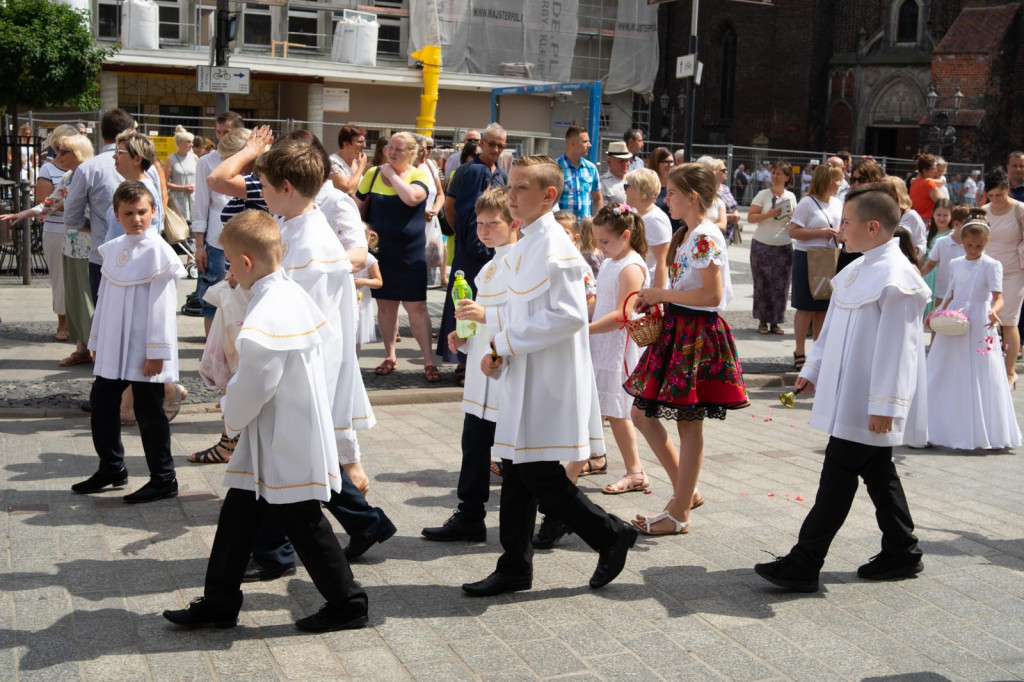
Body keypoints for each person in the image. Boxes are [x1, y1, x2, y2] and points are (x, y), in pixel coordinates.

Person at [162, 209, 369, 633]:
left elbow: (256, 382)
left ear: (246, 263)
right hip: (276, 433)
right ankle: (219, 601)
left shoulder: (268, 311)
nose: (226, 270)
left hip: (284, 436)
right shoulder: (284, 293)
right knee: (238, 514)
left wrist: (229, 417)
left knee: (305, 521)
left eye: (228, 261)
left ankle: (349, 603)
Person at [461, 156, 638, 597]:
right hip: (526, 374)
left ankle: (609, 534)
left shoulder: (554, 244)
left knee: (537, 473)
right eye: (512, 186)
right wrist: (499, 347)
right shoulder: (529, 243)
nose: (513, 195)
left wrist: (506, 343)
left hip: (547, 378)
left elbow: (569, 315)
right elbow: (523, 310)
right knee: (520, 474)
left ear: (549, 196)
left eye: (522, 188)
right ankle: (515, 566)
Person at [754, 183, 928, 593]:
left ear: (872, 226)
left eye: (846, 222)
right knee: (875, 470)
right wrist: (812, 367)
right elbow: (829, 332)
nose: (839, 228)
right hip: (848, 396)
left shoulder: (899, 279)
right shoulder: (853, 270)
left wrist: (887, 404)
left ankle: (805, 561)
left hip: (869, 400)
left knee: (838, 474)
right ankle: (902, 549)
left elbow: (899, 350)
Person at [244, 137, 395, 578]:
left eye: (266, 187)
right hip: (305, 366)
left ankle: (274, 551)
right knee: (303, 459)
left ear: (287, 187)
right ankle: (365, 522)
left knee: (289, 462)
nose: (263, 196)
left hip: (304, 367)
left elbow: (294, 316)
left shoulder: (309, 240)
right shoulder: (293, 226)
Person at [625, 163, 748, 536]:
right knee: (649, 414)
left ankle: (680, 508)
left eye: (672, 193)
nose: (666, 199)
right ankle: (684, 495)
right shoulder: (691, 233)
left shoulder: (705, 235)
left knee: (686, 422)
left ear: (692, 197)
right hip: (682, 328)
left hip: (695, 332)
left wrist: (662, 294)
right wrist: (661, 300)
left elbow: (711, 295)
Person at [71, 181, 184, 503]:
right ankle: (112, 467)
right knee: (103, 402)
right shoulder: (115, 247)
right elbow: (104, 299)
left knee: (150, 411)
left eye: (142, 212)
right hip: (114, 346)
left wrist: (156, 352)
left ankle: (164, 478)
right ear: (117, 216)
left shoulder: (159, 252)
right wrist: (97, 340)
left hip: (144, 348)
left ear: (153, 212)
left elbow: (162, 308)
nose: (137, 218)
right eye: (129, 213)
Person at [421, 188, 516, 543]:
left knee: (516, 456)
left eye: (494, 223)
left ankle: (554, 515)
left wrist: (485, 317)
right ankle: (470, 514)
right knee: (474, 444)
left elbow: (524, 318)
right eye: (479, 223)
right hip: (482, 372)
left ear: (513, 223)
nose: (485, 230)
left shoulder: (520, 263)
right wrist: (465, 334)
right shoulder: (489, 268)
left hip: (507, 371)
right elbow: (483, 318)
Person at [926, 218, 1021, 450]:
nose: (974, 249)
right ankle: (937, 425)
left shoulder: (991, 265)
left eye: (979, 246)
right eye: (969, 245)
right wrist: (937, 313)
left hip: (979, 317)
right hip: (956, 316)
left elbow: (998, 297)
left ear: (987, 243)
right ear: (963, 242)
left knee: (979, 369)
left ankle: (982, 428)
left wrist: (993, 311)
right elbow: (950, 293)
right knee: (946, 366)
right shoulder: (957, 263)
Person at [354, 132, 435, 379]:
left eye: (399, 149)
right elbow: (355, 207)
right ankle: (389, 355)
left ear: (411, 152)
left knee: (417, 308)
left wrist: (391, 175)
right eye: (390, 148)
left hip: (410, 254)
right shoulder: (372, 173)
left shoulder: (420, 173)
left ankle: (429, 362)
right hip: (381, 252)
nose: (392, 153)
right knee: (386, 307)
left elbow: (412, 199)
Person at [437, 124, 509, 380]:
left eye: (501, 145)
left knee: (487, 301)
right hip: (470, 249)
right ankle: (461, 361)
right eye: (492, 144)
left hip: (495, 251)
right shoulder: (468, 171)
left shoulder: (502, 174)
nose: (496, 149)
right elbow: (450, 207)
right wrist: (469, 234)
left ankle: (487, 353)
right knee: (464, 298)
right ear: (483, 143)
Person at [588, 203, 651, 495]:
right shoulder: (613, 261)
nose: (599, 248)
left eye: (604, 241)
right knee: (599, 405)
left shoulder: (631, 266)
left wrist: (585, 329)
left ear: (625, 235)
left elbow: (623, 315)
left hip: (618, 348)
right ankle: (593, 455)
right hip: (603, 343)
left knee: (617, 410)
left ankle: (635, 471)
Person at [3, 125, 77, 341]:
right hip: (57, 230)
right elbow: (44, 203)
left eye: (67, 149)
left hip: (83, 232)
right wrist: (77, 204)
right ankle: (63, 324)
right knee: (60, 279)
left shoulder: (84, 170)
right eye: (61, 149)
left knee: (82, 279)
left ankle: (82, 324)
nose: (61, 154)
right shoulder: (49, 170)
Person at [63, 108, 137, 303]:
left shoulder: (88, 168)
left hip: (102, 253)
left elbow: (71, 217)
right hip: (137, 255)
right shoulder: (146, 166)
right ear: (128, 133)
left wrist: (91, 227)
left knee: (104, 321)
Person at [190, 110, 246, 331]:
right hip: (217, 241)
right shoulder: (207, 162)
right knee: (213, 301)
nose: (222, 137)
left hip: (245, 241)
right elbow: (201, 205)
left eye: (228, 133)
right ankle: (210, 356)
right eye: (218, 132)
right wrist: (199, 246)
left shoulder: (249, 162)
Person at [788, 163, 843, 370]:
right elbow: (793, 231)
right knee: (805, 307)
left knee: (822, 308)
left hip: (831, 256)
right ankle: (799, 350)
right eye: (837, 179)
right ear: (827, 181)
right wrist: (820, 232)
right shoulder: (807, 203)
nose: (840, 183)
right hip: (807, 256)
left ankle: (817, 352)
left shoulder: (838, 203)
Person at [981, 169, 1024, 385]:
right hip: (987, 271)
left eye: (1000, 194)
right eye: (992, 195)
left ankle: (1009, 371)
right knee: (984, 318)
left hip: (1014, 271)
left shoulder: (1020, 210)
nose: (996, 199)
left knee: (1009, 320)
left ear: (1007, 189)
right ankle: (985, 365)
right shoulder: (982, 211)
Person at [747, 160, 797, 335]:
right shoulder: (763, 194)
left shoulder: (791, 197)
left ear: (787, 177)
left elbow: (794, 219)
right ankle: (762, 320)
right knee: (762, 283)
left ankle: (776, 321)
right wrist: (768, 214)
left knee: (781, 285)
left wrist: (792, 218)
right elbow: (751, 217)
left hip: (783, 245)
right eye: (773, 173)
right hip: (762, 244)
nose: (775, 176)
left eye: (779, 174)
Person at [624, 168, 670, 289]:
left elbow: (663, 261)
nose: (624, 191)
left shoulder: (655, 219)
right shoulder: (638, 215)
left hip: (649, 289)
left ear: (636, 191)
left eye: (626, 186)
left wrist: (658, 296)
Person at [557, 125, 603, 220]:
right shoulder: (555, 167)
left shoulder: (591, 168)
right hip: (562, 230)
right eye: (585, 141)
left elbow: (597, 199)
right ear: (573, 144)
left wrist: (595, 224)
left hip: (584, 230)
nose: (589, 145)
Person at [920, 198, 953, 317]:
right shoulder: (928, 234)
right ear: (933, 215)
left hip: (943, 273)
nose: (942, 218)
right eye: (939, 215)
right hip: (928, 274)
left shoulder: (952, 235)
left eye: (945, 215)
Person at [354, 227, 382, 355]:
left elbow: (378, 282)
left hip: (360, 301)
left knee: (356, 337)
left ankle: (354, 367)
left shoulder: (369, 259)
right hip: (345, 300)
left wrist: (363, 282)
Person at [163, 125, 197, 222]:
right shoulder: (171, 159)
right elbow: (165, 182)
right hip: (178, 200)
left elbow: (200, 178)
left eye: (192, 142)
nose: (191, 144)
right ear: (179, 143)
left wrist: (195, 186)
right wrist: (182, 188)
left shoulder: (195, 158)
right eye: (188, 142)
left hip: (193, 198)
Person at [329, 124, 368, 195]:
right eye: (360, 142)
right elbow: (348, 190)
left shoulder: (357, 163)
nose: (364, 146)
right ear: (346, 144)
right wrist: (361, 168)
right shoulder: (332, 163)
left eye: (364, 141)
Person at [909, 153, 942, 222]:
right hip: (929, 221)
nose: (935, 171)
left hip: (917, 219)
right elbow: (942, 203)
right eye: (933, 169)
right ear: (925, 170)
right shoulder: (929, 184)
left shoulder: (913, 183)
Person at [600, 141, 632, 205]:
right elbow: (604, 211)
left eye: (627, 160)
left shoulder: (634, 179)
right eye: (621, 161)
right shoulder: (602, 183)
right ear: (609, 162)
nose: (625, 164)